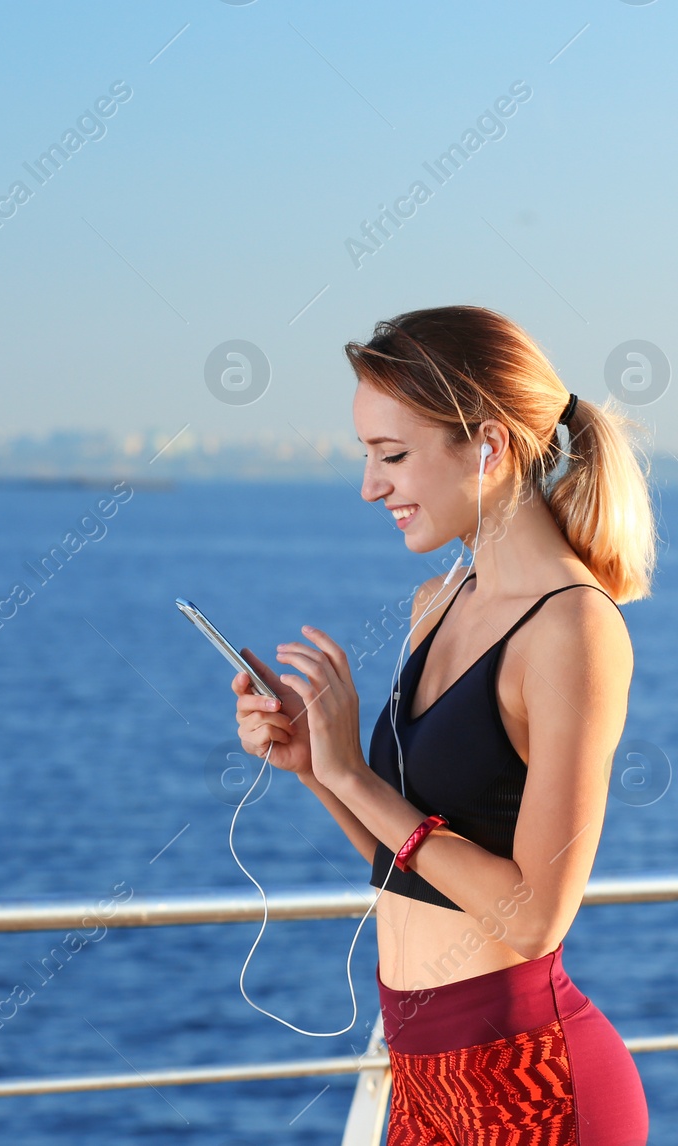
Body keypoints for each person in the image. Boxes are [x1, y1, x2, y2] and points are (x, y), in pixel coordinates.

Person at [232, 305, 655, 1144]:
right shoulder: (437, 605)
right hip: (421, 1080)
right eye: (367, 455)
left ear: (489, 446)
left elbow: (534, 915)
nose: (371, 485)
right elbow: (415, 864)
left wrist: (353, 773)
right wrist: (315, 766)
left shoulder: (573, 629)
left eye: (393, 455)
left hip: (530, 1083)